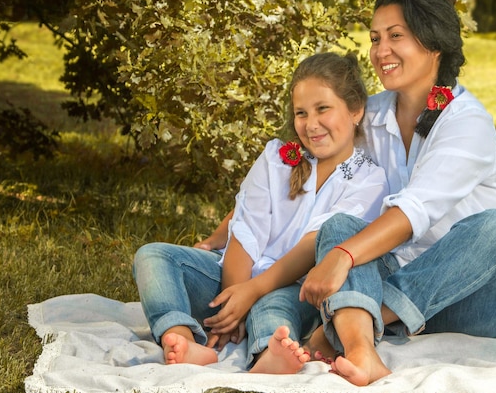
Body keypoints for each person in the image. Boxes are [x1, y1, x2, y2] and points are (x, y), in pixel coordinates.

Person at [296, 0, 496, 386]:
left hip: (467, 297)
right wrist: (231, 229)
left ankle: (350, 320)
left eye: (395, 35)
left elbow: (413, 213)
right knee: (339, 228)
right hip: (392, 273)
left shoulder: (465, 120)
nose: (380, 50)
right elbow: (302, 163)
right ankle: (361, 352)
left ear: (433, 43)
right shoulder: (369, 113)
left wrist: (344, 258)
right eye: (375, 38)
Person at [132, 52, 389, 373]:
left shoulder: (371, 180)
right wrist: (232, 302)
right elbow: (245, 228)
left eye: (323, 109)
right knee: (153, 256)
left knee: (272, 306)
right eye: (301, 113)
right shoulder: (276, 158)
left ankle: (269, 355)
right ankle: (182, 338)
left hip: (300, 287)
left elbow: (313, 247)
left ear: (355, 110)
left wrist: (251, 293)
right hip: (234, 277)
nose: (311, 124)